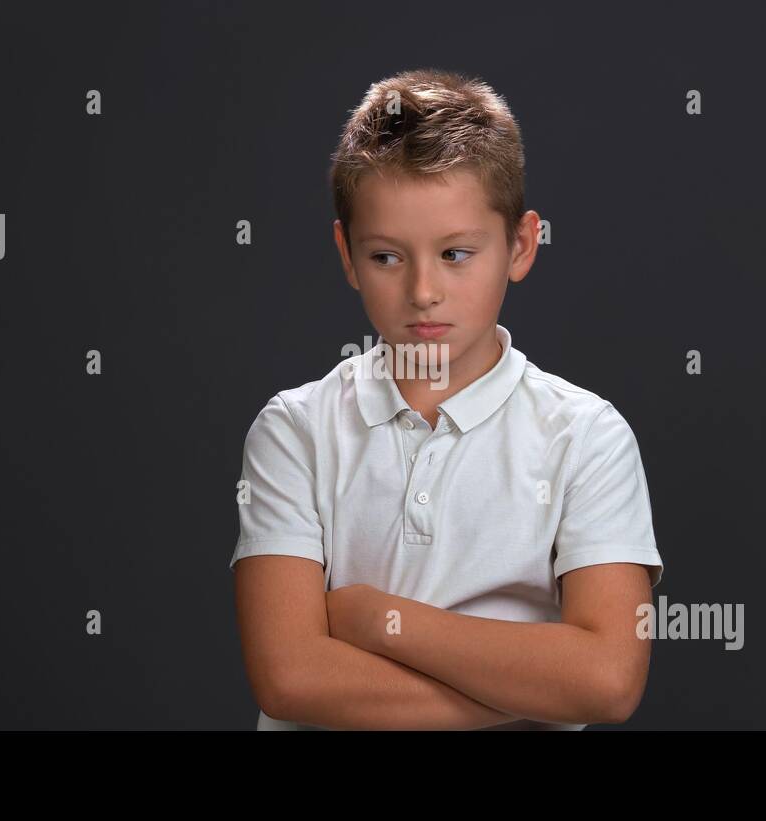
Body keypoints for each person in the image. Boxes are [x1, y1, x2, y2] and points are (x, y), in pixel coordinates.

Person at [230, 68, 664, 730]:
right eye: (386, 257)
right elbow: (290, 678)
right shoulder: (296, 430)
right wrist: (524, 690)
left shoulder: (586, 436)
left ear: (520, 245)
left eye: (456, 253)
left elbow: (605, 679)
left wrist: (379, 621)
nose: (424, 291)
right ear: (347, 255)